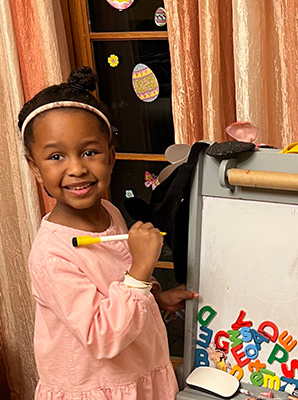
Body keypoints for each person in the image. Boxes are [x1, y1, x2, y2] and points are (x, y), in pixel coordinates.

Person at [18, 66, 198, 399]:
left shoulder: (110, 212)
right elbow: (102, 336)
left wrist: (156, 297)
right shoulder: (50, 255)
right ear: (35, 167)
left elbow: (114, 285)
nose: (76, 168)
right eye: (56, 156)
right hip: (97, 388)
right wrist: (142, 271)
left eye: (90, 152)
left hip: (139, 372)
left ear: (111, 157)